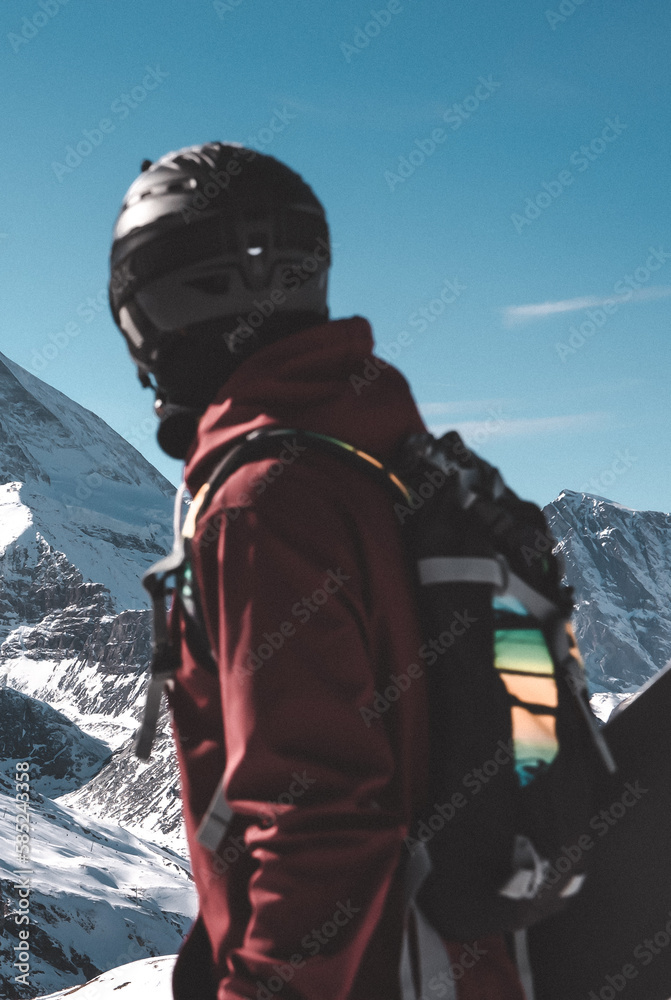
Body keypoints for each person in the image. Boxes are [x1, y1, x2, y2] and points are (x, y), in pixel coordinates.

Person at [109, 142, 526, 1000]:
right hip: (461, 959)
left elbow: (312, 821)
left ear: (153, 307)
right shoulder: (384, 451)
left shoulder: (261, 504)